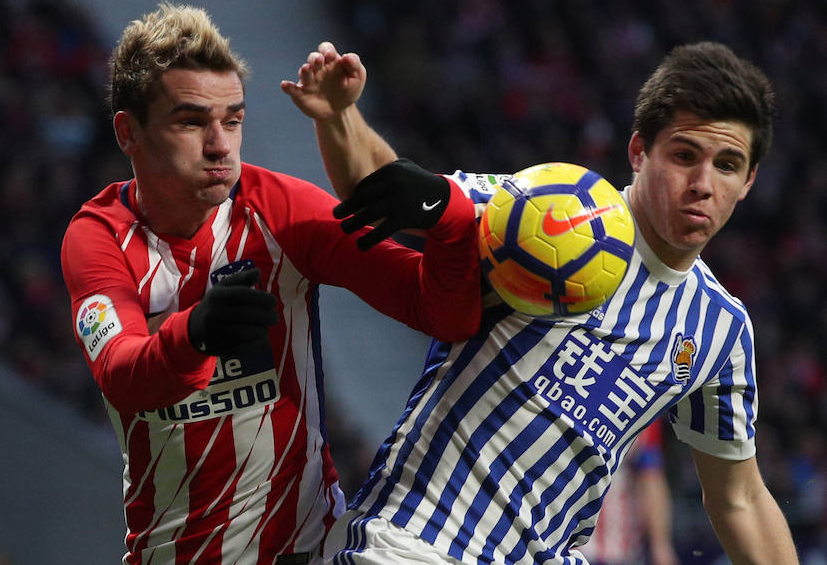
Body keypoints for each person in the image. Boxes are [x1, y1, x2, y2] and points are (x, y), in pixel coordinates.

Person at [297, 41, 799, 564]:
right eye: (684, 155)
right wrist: (339, 115)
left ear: (748, 182)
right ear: (638, 152)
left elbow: (738, 497)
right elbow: (392, 190)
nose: (702, 185)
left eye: (727, 165)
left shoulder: (720, 329)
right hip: (416, 543)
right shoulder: (553, 209)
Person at [60, 2, 483, 565]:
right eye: (190, 122)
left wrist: (448, 217)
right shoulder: (98, 238)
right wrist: (197, 335)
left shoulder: (281, 210)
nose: (220, 146)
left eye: (232, 120)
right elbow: (122, 377)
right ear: (127, 132)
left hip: (308, 549)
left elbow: (440, 311)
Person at [579, 420, 678, 565]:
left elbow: (651, 479)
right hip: (572, 547)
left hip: (624, 547)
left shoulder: (644, 415)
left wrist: (661, 545)